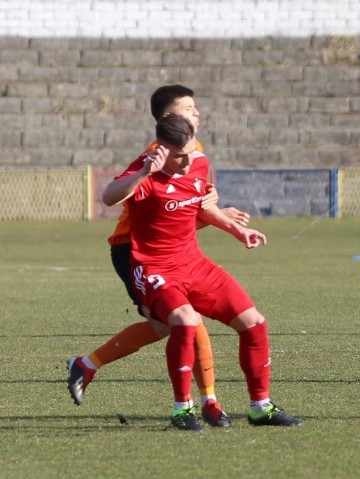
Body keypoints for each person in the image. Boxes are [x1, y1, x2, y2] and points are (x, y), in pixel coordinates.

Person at [101, 114, 301, 431]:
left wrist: (238, 231)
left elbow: (202, 205)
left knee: (255, 323)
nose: (186, 162)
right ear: (161, 148)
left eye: (190, 152)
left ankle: (260, 407)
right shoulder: (147, 170)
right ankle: (183, 409)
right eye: (178, 156)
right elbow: (109, 196)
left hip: (194, 263)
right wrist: (142, 172)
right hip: (153, 267)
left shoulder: (198, 161)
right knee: (183, 320)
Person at [67, 85, 249, 428]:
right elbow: (119, 198)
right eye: (189, 108)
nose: (197, 113)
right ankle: (207, 402)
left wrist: (227, 221)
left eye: (196, 107)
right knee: (184, 320)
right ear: (168, 118)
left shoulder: (194, 152)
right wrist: (145, 176)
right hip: (135, 251)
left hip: (173, 252)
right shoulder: (159, 155)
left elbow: (192, 210)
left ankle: (87, 365)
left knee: (169, 324)